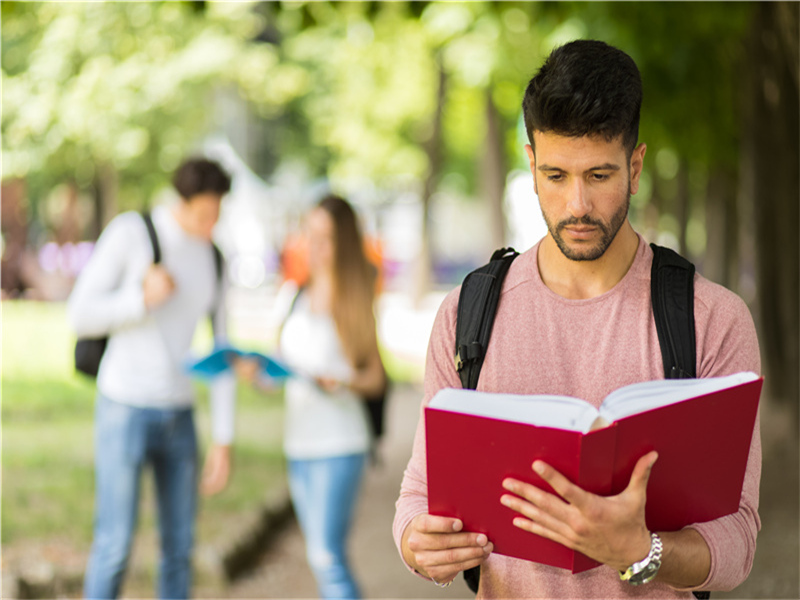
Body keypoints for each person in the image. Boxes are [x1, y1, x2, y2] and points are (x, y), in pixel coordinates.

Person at [393, 39, 761, 599]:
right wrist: (416, 544)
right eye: (558, 176)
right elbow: (419, 493)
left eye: (599, 175)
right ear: (532, 164)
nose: (578, 206)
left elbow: (737, 540)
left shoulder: (711, 318)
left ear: (635, 167)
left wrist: (641, 553)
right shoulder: (467, 314)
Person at [69, 157, 236, 600]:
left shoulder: (215, 259)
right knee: (114, 546)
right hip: (124, 407)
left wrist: (224, 437)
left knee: (179, 550)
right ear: (181, 202)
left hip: (180, 416)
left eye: (218, 214)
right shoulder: (132, 233)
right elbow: (80, 314)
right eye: (204, 214)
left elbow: (223, 352)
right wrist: (140, 299)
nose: (210, 224)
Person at [237, 194, 386, 599]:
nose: (317, 246)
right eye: (311, 235)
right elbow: (281, 371)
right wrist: (257, 374)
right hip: (299, 443)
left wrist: (341, 381)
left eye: (327, 237)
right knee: (321, 557)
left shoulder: (355, 299)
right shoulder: (294, 295)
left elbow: (375, 378)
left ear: (345, 241)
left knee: (326, 557)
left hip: (341, 443)